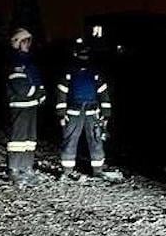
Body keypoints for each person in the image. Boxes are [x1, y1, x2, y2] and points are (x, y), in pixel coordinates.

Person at [56, 41, 112, 177]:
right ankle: (68, 170)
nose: (84, 57)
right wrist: (61, 114)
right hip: (76, 112)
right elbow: (61, 93)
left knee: (94, 139)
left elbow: (103, 93)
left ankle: (96, 170)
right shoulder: (71, 71)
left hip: (89, 111)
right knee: (77, 140)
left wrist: (106, 115)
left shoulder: (93, 72)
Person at [6, 28, 46, 185]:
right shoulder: (15, 61)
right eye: (25, 41)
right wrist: (36, 92)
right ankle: (14, 169)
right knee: (18, 138)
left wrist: (40, 93)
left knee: (30, 138)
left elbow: (37, 81)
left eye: (29, 40)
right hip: (19, 104)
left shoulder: (29, 60)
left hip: (31, 105)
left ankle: (27, 167)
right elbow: (20, 86)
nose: (28, 44)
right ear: (17, 42)